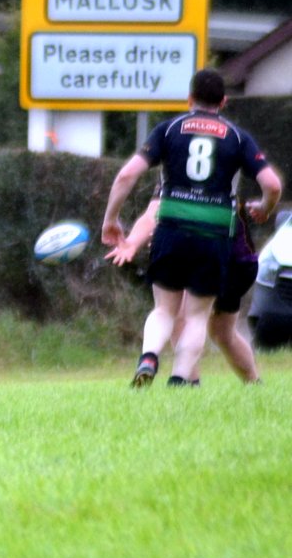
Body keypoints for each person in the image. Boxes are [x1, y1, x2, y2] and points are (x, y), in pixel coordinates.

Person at [100, 69, 281, 387]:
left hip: (172, 229)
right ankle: (181, 380)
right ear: (223, 102)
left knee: (165, 310)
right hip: (215, 235)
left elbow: (127, 175)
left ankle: (149, 356)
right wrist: (265, 208)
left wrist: (111, 219)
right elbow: (272, 185)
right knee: (197, 316)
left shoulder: (168, 130)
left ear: (189, 99)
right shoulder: (237, 137)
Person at [107, 190, 262, 384]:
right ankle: (250, 384)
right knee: (221, 333)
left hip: (227, 257)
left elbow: (152, 212)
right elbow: (153, 212)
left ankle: (182, 380)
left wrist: (137, 240)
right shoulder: (179, 177)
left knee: (184, 317)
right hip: (236, 259)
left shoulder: (196, 174)